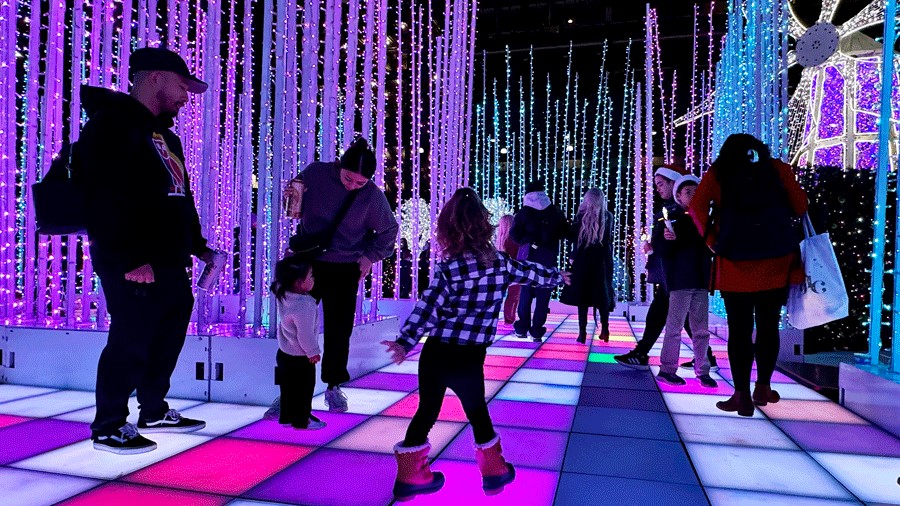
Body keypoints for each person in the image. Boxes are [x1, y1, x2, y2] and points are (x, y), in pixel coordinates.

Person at [382, 188, 570, 500]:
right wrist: (558, 277)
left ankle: (409, 477)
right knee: (477, 412)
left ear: (447, 231)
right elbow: (533, 273)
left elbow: (427, 308)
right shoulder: (501, 263)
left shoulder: (448, 270)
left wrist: (405, 342)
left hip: (437, 353)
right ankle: (494, 473)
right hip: (469, 358)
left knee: (427, 410)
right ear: (485, 227)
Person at [77, 47, 213, 454]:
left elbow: (178, 198)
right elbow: (101, 197)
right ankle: (108, 425)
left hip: (169, 259)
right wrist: (131, 256)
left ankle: (152, 408)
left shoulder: (163, 135)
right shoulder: (112, 123)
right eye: (182, 85)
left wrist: (199, 247)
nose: (187, 96)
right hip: (133, 260)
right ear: (155, 77)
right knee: (131, 338)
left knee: (168, 333)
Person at [689, 134, 808, 416]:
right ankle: (763, 387)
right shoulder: (777, 168)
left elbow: (695, 208)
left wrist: (714, 242)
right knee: (768, 326)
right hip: (776, 263)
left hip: (734, 264)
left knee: (739, 331)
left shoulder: (718, 173)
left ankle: (741, 395)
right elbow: (801, 206)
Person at [285, 138, 399, 413]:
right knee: (295, 325)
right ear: (339, 166)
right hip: (307, 262)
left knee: (339, 329)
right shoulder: (315, 173)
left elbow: (389, 231)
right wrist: (291, 194)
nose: (352, 186)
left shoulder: (372, 195)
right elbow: (294, 199)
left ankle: (334, 386)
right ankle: (291, 390)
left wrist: (368, 257)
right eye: (348, 178)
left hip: (345, 266)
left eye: (360, 183)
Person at [614, 165, 718, 371]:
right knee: (679, 315)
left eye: (662, 184)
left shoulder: (680, 212)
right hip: (674, 272)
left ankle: (646, 354)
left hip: (677, 273)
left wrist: (660, 246)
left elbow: (687, 244)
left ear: (675, 183)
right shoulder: (672, 210)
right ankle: (705, 358)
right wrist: (655, 247)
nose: (659, 189)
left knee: (664, 314)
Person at [656, 175, 717, 388]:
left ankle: (703, 370)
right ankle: (667, 369)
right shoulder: (672, 219)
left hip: (700, 280)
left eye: (695, 191)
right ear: (679, 196)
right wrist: (667, 239)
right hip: (680, 281)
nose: (693, 195)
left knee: (701, 329)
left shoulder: (706, 219)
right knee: (675, 328)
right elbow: (661, 250)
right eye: (688, 192)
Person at [511, 180, 570, 342]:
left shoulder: (524, 212)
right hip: (548, 257)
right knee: (543, 297)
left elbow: (515, 235)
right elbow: (565, 232)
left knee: (526, 294)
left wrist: (529, 239)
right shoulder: (554, 211)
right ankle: (536, 331)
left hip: (528, 258)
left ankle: (522, 327)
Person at [270, 258, 326, 430]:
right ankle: (302, 420)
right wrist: (313, 351)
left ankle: (286, 417)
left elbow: (277, 283)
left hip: (284, 353)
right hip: (301, 357)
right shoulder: (305, 305)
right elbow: (305, 334)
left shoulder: (283, 293)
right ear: (299, 283)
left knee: (287, 389)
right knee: (304, 390)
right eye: (311, 275)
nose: (314, 278)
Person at [560, 188, 615, 343]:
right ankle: (605, 328)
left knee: (582, 297)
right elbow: (608, 241)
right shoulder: (608, 217)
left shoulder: (580, 217)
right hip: (602, 262)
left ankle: (582, 332)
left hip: (582, 261)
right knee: (602, 295)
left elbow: (573, 239)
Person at [494, 215, 520, 325]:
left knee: (508, 296)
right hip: (514, 270)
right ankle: (510, 318)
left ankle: (509, 317)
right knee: (514, 296)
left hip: (502, 270)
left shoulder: (500, 240)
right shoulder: (513, 240)